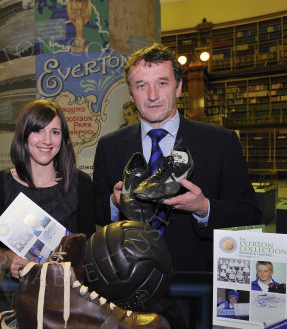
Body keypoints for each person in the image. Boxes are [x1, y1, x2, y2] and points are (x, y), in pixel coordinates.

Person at [92, 43, 261, 328]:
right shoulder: (109, 147)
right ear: (131, 93)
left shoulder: (220, 142)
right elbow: (93, 214)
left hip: (195, 291)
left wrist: (203, 208)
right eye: (142, 85)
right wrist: (112, 203)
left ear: (179, 87)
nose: (153, 95)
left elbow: (250, 216)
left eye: (162, 83)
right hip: (127, 289)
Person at [0, 100, 96, 279]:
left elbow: (88, 249)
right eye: (38, 130)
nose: (47, 140)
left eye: (55, 132)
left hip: (66, 294)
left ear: (63, 138)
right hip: (17, 297)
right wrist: (12, 260)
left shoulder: (81, 184)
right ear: (24, 134)